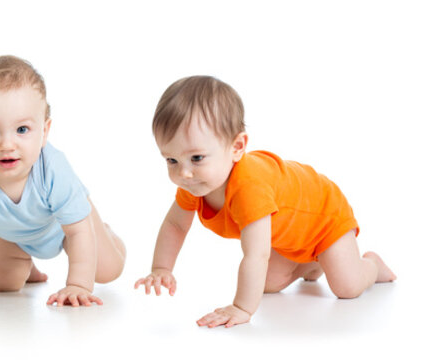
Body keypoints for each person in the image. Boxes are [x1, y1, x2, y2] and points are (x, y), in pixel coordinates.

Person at [134, 75, 396, 327]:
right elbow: (175, 226)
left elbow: (256, 254)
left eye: (197, 158)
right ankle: (313, 262)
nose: (184, 173)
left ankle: (372, 265)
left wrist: (242, 307)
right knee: (268, 283)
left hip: (325, 218)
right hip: (292, 234)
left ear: (237, 147)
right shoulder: (194, 184)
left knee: (347, 287)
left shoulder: (250, 188)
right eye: (171, 160)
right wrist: (161, 268)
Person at [0, 55, 126, 306]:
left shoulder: (52, 169)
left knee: (108, 270)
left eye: (21, 130)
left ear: (44, 131)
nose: (7, 145)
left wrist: (77, 285)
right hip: (7, 231)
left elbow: (77, 231)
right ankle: (26, 263)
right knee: (2, 285)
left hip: (67, 227)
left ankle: (106, 234)